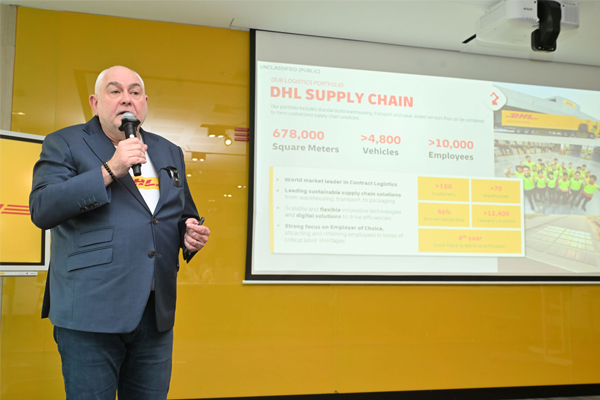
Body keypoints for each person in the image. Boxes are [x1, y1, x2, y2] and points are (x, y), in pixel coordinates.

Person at [29, 66, 210, 400]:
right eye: (115, 91)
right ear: (95, 102)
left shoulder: (168, 150)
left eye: (135, 92)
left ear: (145, 103)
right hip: (89, 311)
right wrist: (111, 169)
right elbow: (43, 208)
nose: (127, 99)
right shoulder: (65, 142)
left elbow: (181, 213)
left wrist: (189, 233)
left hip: (154, 313)